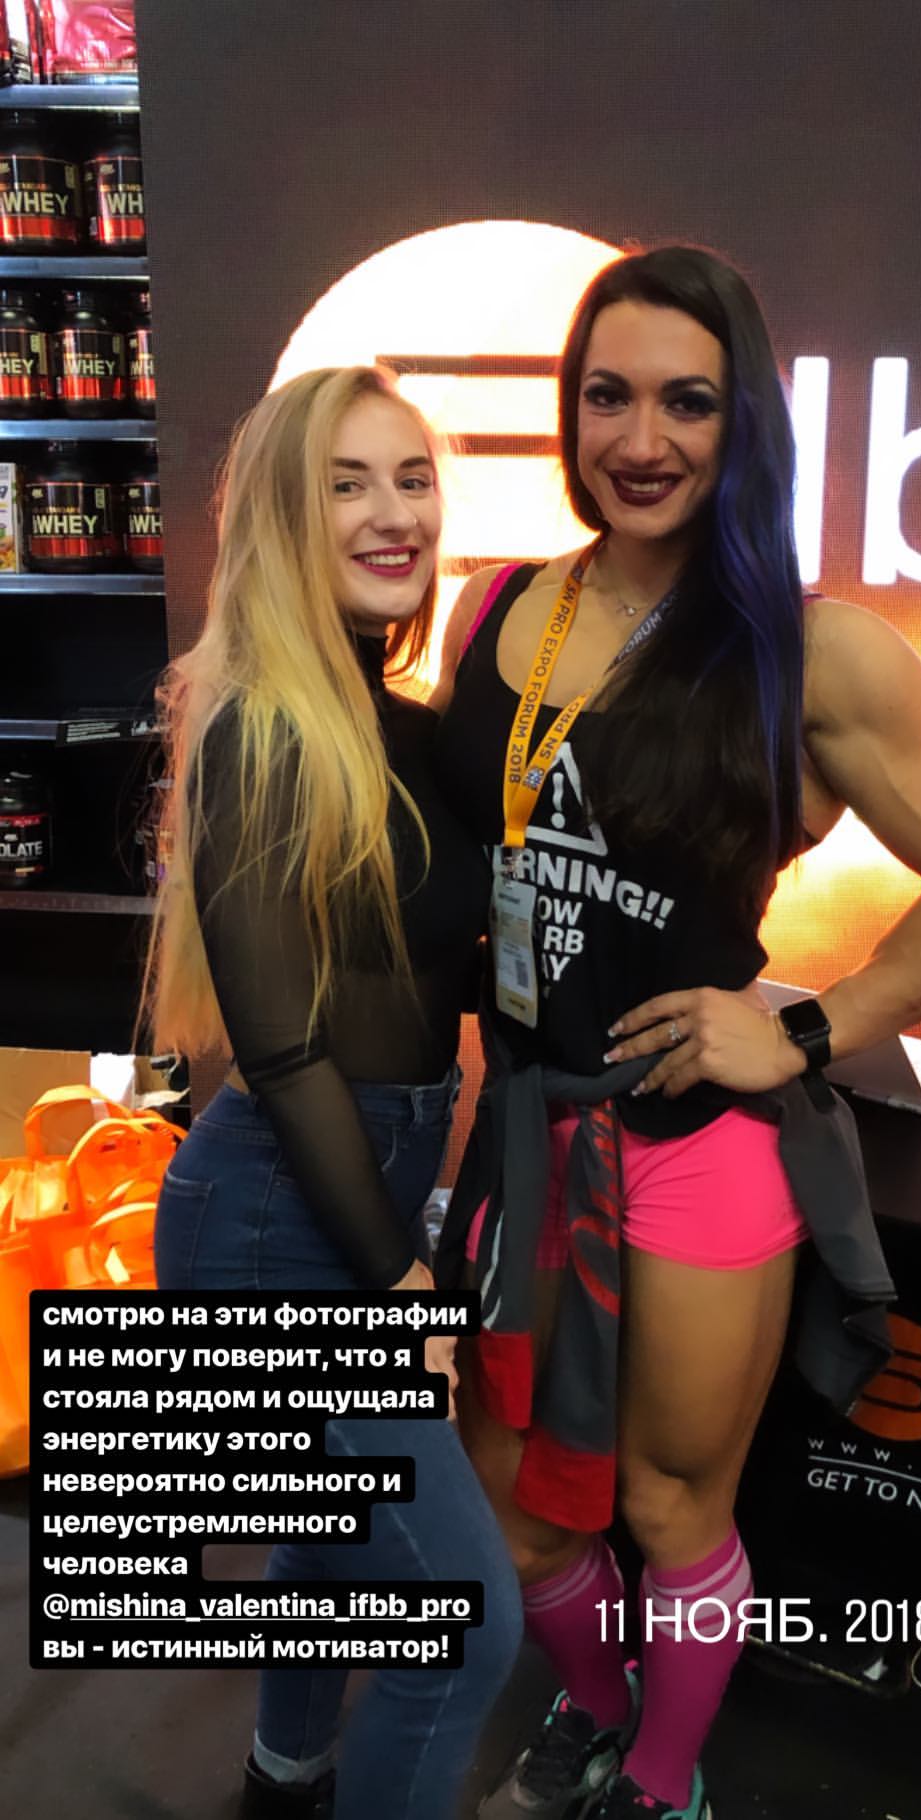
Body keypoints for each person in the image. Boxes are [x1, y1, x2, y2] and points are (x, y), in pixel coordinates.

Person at [429, 247, 921, 1820]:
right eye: (607, 396)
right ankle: (595, 1713)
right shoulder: (496, 608)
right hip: (525, 1137)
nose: (641, 440)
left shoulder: (809, 649)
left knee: (667, 1501)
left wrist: (807, 1030)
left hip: (693, 1149)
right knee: (521, 1506)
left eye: (686, 403)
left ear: (741, 419)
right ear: (569, 411)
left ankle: (662, 1778)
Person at [145, 365, 522, 1820]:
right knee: (463, 1622)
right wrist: (399, 1280)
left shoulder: (411, 726)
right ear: (283, 520)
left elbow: (445, 966)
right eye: (346, 483)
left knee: (324, 1545)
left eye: (412, 480)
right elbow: (286, 1047)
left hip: (378, 1174)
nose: (391, 513)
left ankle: (283, 1779)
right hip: (275, 1219)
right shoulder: (261, 728)